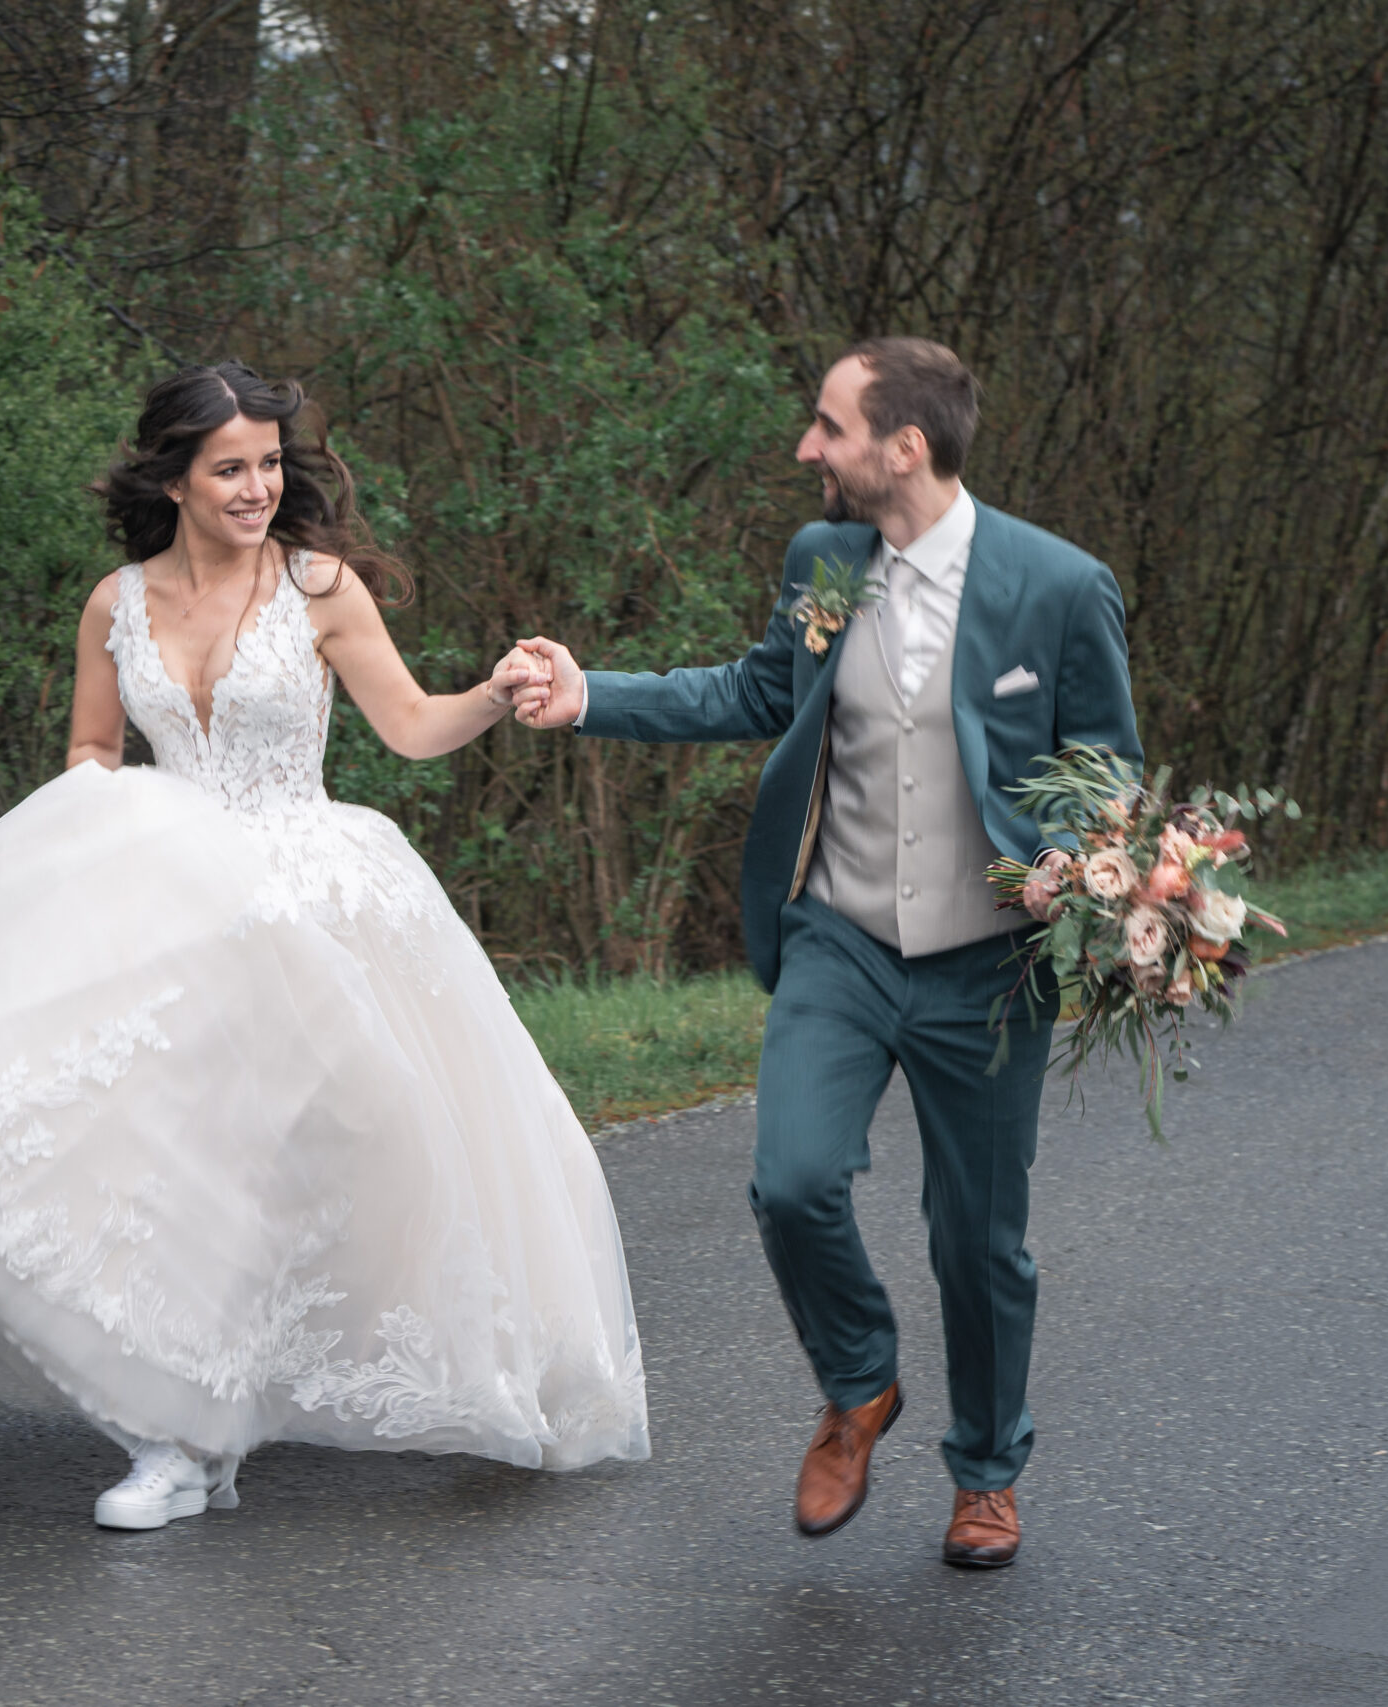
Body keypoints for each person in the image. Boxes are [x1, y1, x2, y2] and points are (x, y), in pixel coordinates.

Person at [0, 362, 648, 1530]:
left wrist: (493, 692)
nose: (256, 488)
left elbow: (408, 728)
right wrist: (88, 862)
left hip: (311, 903)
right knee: (154, 1158)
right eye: (230, 468)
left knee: (315, 1164)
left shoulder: (321, 587)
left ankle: (228, 1415)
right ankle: (182, 1439)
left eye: (270, 464)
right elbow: (92, 756)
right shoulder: (114, 603)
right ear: (175, 479)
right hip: (171, 901)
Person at [507, 338, 1138, 1568]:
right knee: (791, 1179)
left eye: (829, 428)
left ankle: (986, 1471)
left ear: (903, 448)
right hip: (840, 941)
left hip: (991, 965)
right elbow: (756, 693)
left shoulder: (1059, 588)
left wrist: (1073, 854)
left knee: (977, 1239)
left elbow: (1107, 769)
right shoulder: (824, 562)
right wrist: (592, 697)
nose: (809, 448)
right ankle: (858, 1384)